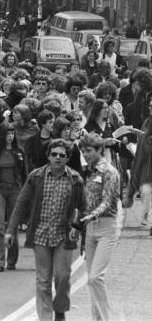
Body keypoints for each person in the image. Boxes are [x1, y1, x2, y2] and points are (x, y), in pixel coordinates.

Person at [5, 139, 85, 321]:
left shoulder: (75, 180)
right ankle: (45, 317)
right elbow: (21, 203)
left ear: (67, 158)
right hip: (40, 234)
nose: (57, 158)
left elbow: (83, 208)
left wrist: (78, 228)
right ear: (48, 156)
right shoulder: (35, 177)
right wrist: (10, 230)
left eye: (62, 155)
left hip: (64, 237)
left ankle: (60, 309)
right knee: (43, 280)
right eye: (54, 154)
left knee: (62, 277)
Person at [79, 133, 121, 321]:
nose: (85, 154)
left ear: (99, 150)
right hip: (90, 228)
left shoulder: (110, 172)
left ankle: (107, 318)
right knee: (91, 279)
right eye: (83, 151)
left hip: (107, 227)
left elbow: (108, 200)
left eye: (88, 151)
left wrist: (93, 214)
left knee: (96, 277)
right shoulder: (87, 171)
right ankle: (97, 318)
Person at [0, 123, 28, 271]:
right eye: (7, 134)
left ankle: (11, 260)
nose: (10, 137)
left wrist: (26, 195)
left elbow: (25, 175)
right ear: (2, 135)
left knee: (13, 226)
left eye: (12, 134)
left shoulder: (19, 151)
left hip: (16, 190)